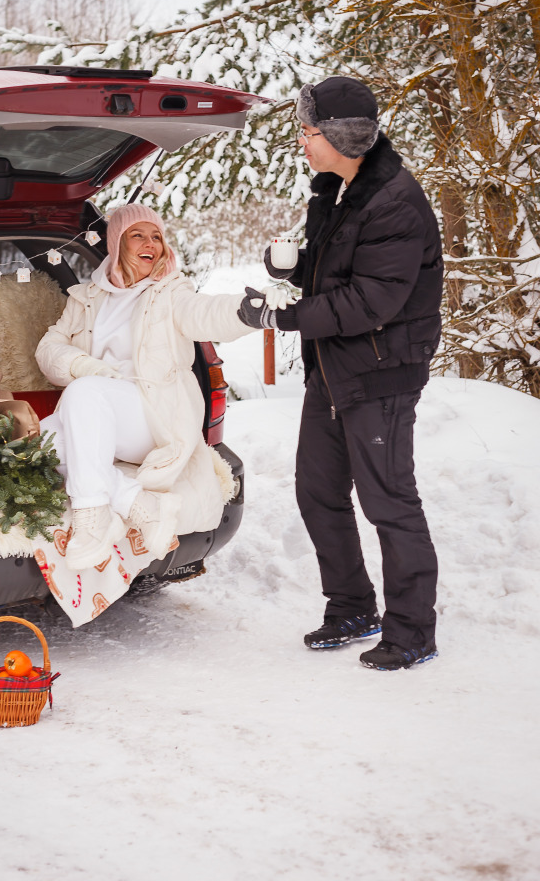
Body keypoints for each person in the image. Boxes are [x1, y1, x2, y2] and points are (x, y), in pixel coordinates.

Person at [238, 76, 443, 671]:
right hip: (333, 370)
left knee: (389, 500)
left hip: (381, 376)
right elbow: (338, 275)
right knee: (318, 491)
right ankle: (352, 606)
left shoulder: (396, 202)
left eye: (306, 131)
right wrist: (298, 266)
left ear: (338, 135)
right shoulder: (338, 190)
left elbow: (370, 302)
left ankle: (413, 630)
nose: (301, 142)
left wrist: (285, 316)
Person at [35, 203, 275, 572]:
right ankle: (138, 505)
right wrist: (85, 366)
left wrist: (245, 312)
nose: (152, 243)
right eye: (138, 235)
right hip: (100, 412)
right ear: (116, 244)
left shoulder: (170, 293)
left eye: (157, 236)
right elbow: (48, 350)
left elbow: (203, 313)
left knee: (83, 393)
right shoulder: (86, 299)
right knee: (40, 446)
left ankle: (92, 518)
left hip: (153, 415)